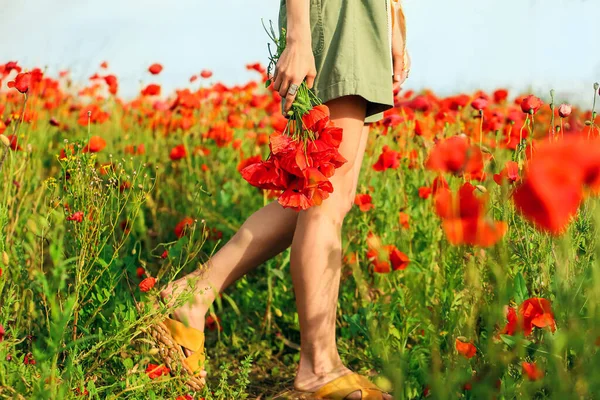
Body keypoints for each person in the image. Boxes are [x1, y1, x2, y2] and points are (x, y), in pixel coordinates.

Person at [156, 0, 410, 398]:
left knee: (322, 197)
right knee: (323, 199)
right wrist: (298, 35)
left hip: (365, 16)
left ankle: (190, 296)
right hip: (338, 14)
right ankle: (318, 367)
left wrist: (392, 22)